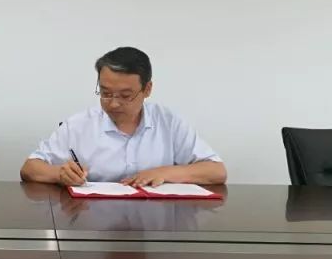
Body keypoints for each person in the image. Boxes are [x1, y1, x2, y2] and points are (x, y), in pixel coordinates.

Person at [20, 46, 226, 187]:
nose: (113, 103)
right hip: (93, 222)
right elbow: (30, 168)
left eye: (125, 95)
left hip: (156, 224)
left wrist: (164, 172)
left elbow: (217, 171)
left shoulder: (169, 123)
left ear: (147, 89)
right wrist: (59, 174)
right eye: (106, 93)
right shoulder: (78, 125)